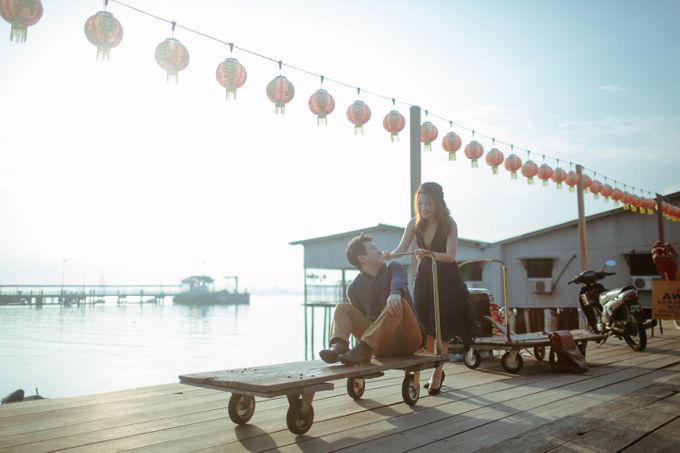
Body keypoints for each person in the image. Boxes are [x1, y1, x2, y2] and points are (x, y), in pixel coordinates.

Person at [387, 181, 475, 394]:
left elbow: (451, 256)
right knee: (425, 325)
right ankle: (435, 365)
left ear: (438, 203)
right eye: (420, 203)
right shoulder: (413, 224)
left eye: (428, 203)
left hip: (446, 278)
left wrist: (429, 255)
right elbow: (401, 249)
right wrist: (387, 255)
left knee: (441, 328)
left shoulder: (449, 224)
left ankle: (437, 372)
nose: (423, 208)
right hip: (424, 278)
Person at [318, 233, 423, 366]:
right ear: (362, 258)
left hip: (408, 339)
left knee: (397, 302)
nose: (379, 251)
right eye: (373, 248)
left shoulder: (393, 268)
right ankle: (340, 346)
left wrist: (395, 293)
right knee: (342, 307)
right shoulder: (353, 288)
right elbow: (362, 318)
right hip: (380, 344)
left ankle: (364, 348)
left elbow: (399, 282)